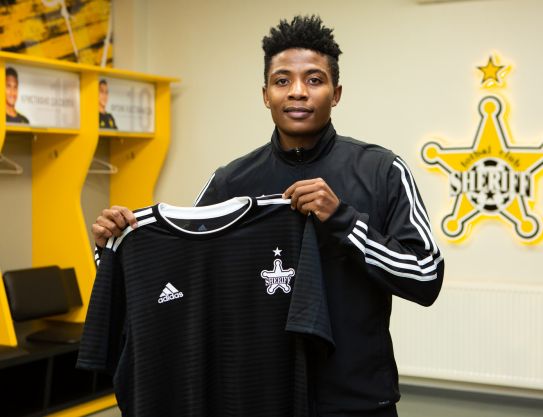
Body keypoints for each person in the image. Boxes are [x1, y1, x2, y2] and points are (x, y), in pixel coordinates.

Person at [92, 15, 444, 417]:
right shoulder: (231, 181)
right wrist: (113, 247)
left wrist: (343, 220)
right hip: (257, 395)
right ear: (265, 95)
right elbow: (183, 276)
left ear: (336, 93)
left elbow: (426, 277)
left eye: (314, 80)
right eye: (282, 81)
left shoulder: (381, 170)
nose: (297, 92)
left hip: (355, 399)